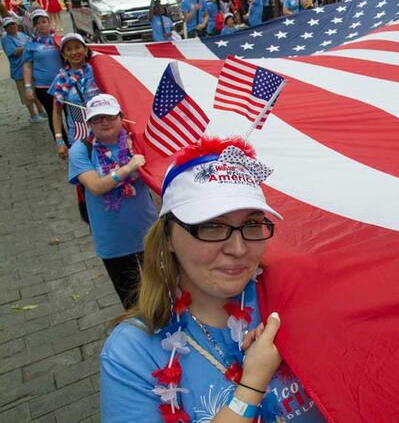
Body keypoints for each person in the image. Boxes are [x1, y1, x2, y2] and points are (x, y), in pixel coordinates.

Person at [100, 137, 325, 422]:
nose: (238, 249)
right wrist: (250, 388)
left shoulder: (291, 297)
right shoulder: (131, 353)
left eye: (252, 224)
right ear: (168, 236)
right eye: (211, 226)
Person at [69, 94, 155, 309]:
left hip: (149, 233)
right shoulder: (81, 150)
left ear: (121, 117)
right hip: (112, 241)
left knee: (161, 290)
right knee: (132, 301)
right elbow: (96, 187)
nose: (104, 122)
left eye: (109, 116)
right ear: (89, 123)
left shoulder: (137, 141)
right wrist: (127, 169)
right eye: (97, 119)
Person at [47, 33, 101, 158]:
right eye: (69, 49)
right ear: (63, 54)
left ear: (85, 49)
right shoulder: (60, 80)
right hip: (78, 137)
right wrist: (60, 140)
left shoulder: (98, 71)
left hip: (104, 132)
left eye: (77, 47)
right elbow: (56, 112)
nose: (74, 52)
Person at [23, 9, 60, 139]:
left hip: (63, 85)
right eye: (38, 23)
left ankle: (75, 143)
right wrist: (28, 87)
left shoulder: (58, 39)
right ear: (34, 26)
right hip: (44, 88)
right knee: (53, 115)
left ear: (49, 22)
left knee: (70, 114)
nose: (42, 25)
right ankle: (62, 142)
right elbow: (27, 66)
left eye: (44, 21)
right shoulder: (30, 43)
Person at [2, 17, 44, 123]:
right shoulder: (6, 39)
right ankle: (33, 115)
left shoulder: (21, 35)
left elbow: (32, 41)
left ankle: (41, 111)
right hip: (19, 71)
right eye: (9, 26)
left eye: (13, 24)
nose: (12, 27)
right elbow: (14, 52)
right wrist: (26, 47)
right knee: (26, 95)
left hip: (30, 67)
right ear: (5, 28)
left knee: (36, 91)